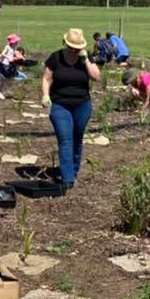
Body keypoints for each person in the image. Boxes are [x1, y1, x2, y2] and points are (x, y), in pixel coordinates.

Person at [41, 28, 102, 190]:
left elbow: (97, 77)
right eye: (71, 47)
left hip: (82, 104)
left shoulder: (85, 57)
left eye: (77, 47)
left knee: (77, 138)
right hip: (60, 104)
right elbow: (47, 78)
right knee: (65, 139)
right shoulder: (56, 58)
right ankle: (67, 178)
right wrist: (45, 95)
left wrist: (86, 61)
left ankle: (74, 171)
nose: (74, 50)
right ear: (65, 44)